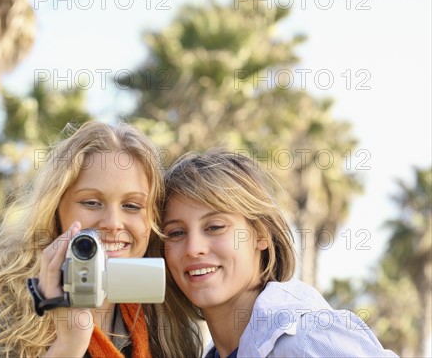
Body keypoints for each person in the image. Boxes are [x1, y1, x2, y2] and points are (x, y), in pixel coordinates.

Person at [0, 120, 183, 357]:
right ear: (55, 210)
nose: (112, 223)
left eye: (132, 205)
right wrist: (69, 345)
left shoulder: (164, 312)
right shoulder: (3, 306)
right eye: (91, 202)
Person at [156, 149, 398, 358]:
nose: (193, 248)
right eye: (176, 233)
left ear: (261, 234)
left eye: (215, 227)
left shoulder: (307, 338)